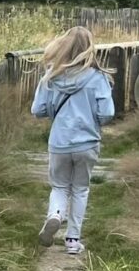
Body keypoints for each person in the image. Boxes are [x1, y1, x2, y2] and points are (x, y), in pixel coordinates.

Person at [31, 26, 116, 255]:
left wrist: (53, 108)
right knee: (80, 189)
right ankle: (72, 241)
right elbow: (107, 113)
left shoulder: (51, 76)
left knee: (59, 186)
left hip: (59, 141)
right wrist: (92, 118)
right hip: (87, 142)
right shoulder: (98, 78)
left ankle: (55, 215)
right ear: (90, 48)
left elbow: (37, 110)